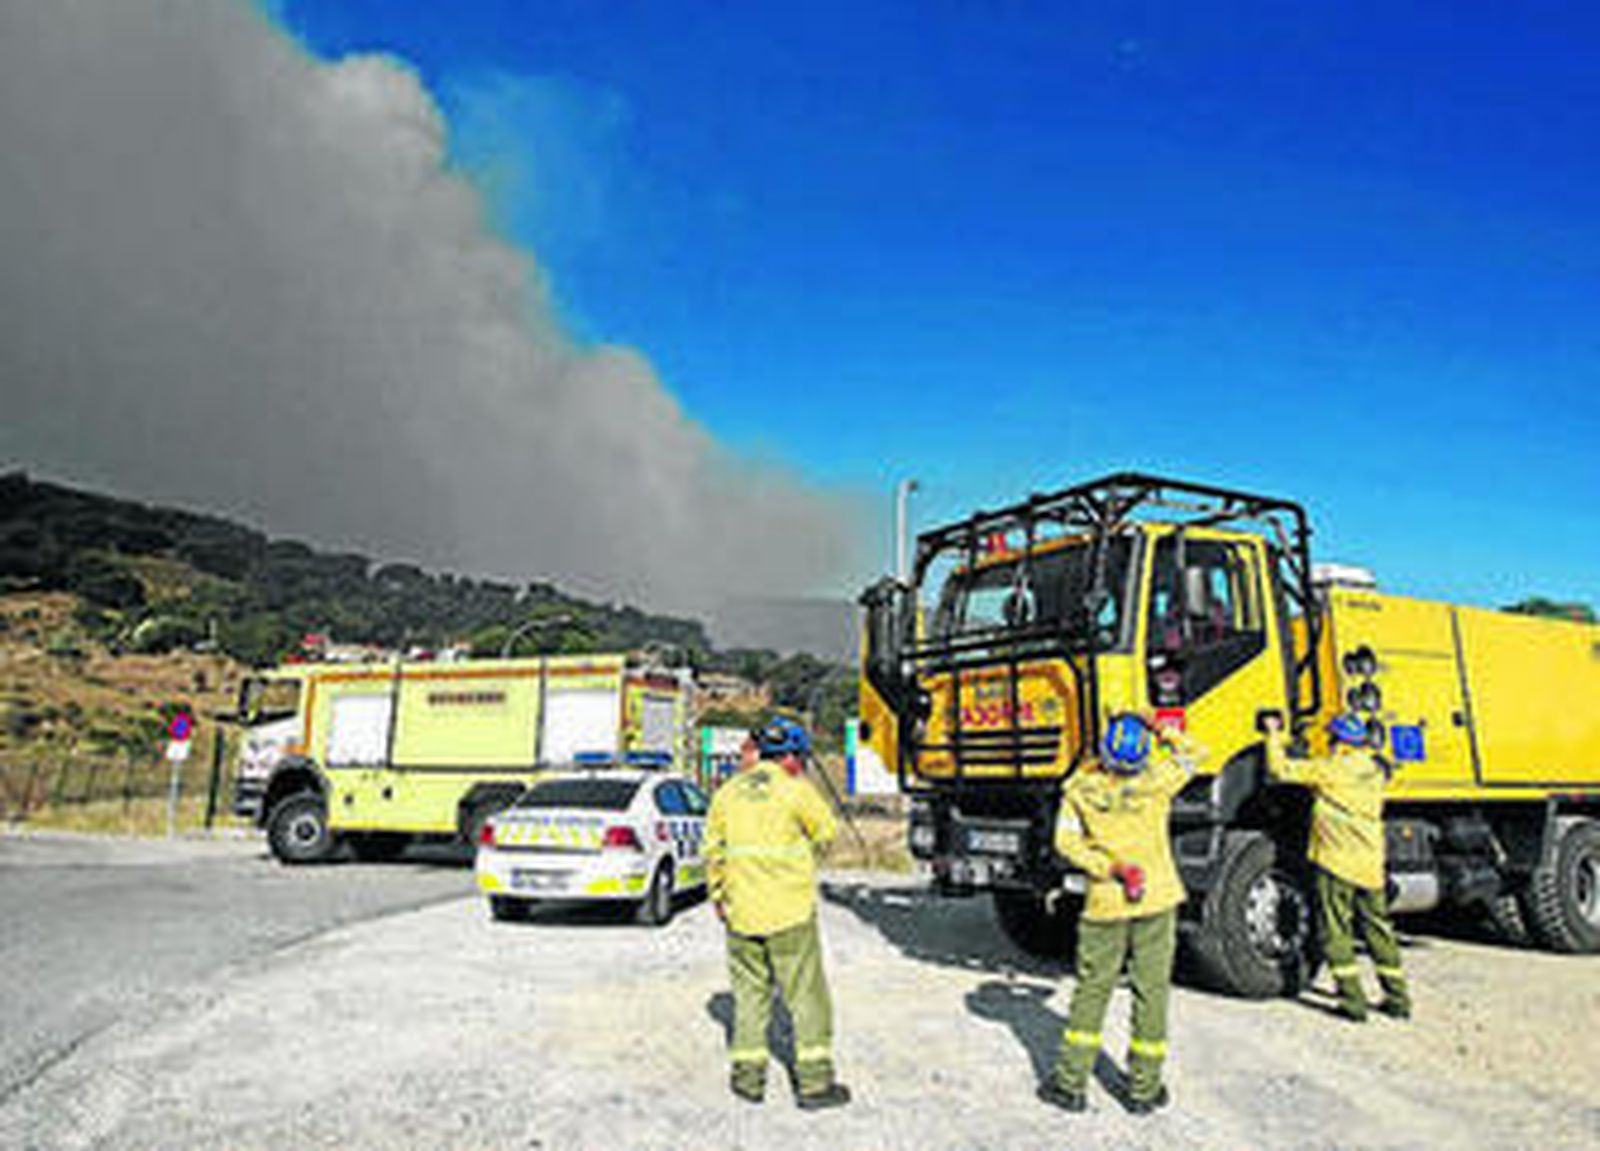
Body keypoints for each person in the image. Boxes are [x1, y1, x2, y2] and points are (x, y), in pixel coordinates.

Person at [1043, 712, 1201, 1116]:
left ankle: (1070, 1084)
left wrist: (1107, 868)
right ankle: (1143, 1090)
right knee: (1151, 992)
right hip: (1156, 899)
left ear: (1104, 752)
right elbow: (1195, 753)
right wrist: (1157, 726)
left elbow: (1065, 842)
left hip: (1106, 904)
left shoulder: (1080, 789)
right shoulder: (1158, 781)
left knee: (1092, 989)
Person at [703, 717, 851, 1110]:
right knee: (805, 997)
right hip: (790, 913)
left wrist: (719, 896)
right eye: (799, 758)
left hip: (740, 913)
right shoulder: (796, 791)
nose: (800, 765)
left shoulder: (727, 794)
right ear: (788, 756)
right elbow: (826, 834)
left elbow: (713, 853)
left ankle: (748, 1079)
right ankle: (815, 1085)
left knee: (749, 996)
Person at [1264, 711, 1410, 1022]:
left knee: (1336, 931)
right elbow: (1386, 763)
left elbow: (1281, 769)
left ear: (1337, 740)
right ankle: (1398, 998)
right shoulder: (1374, 770)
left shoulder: (1330, 769)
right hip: (1370, 863)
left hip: (1337, 863)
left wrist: (1274, 734)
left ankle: (1353, 1002)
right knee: (1379, 930)